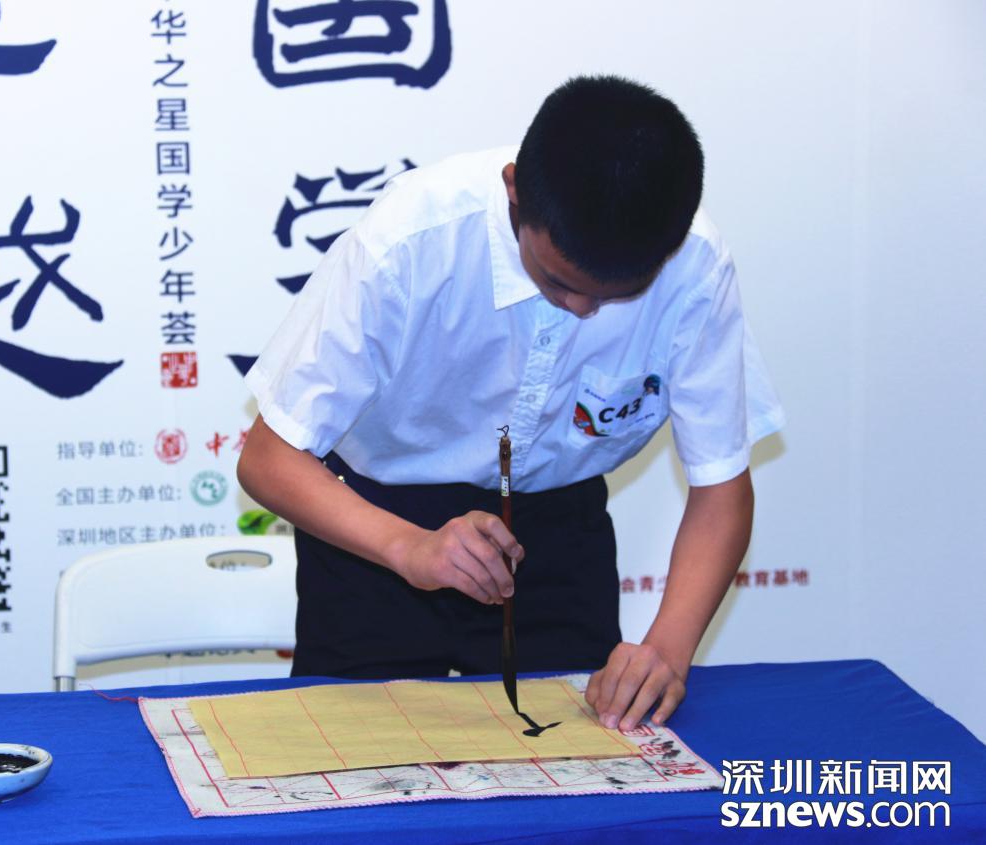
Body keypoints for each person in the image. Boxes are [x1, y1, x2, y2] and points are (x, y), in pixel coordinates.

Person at [237, 75, 784, 732]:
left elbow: (721, 487)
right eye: (557, 280)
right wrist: (410, 548)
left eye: (615, 295)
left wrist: (666, 649)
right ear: (514, 190)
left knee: (578, 766)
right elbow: (267, 458)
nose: (581, 309)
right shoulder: (411, 238)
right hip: (376, 536)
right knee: (357, 768)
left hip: (556, 535)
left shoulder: (694, 263)